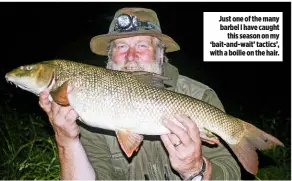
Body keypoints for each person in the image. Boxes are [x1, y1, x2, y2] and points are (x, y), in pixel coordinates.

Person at [39, 7, 241, 180]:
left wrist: (195, 169)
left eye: (142, 46)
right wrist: (67, 139)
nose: (131, 56)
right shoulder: (90, 108)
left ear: (160, 54)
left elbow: (232, 173)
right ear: (110, 56)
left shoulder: (199, 96)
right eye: (122, 46)